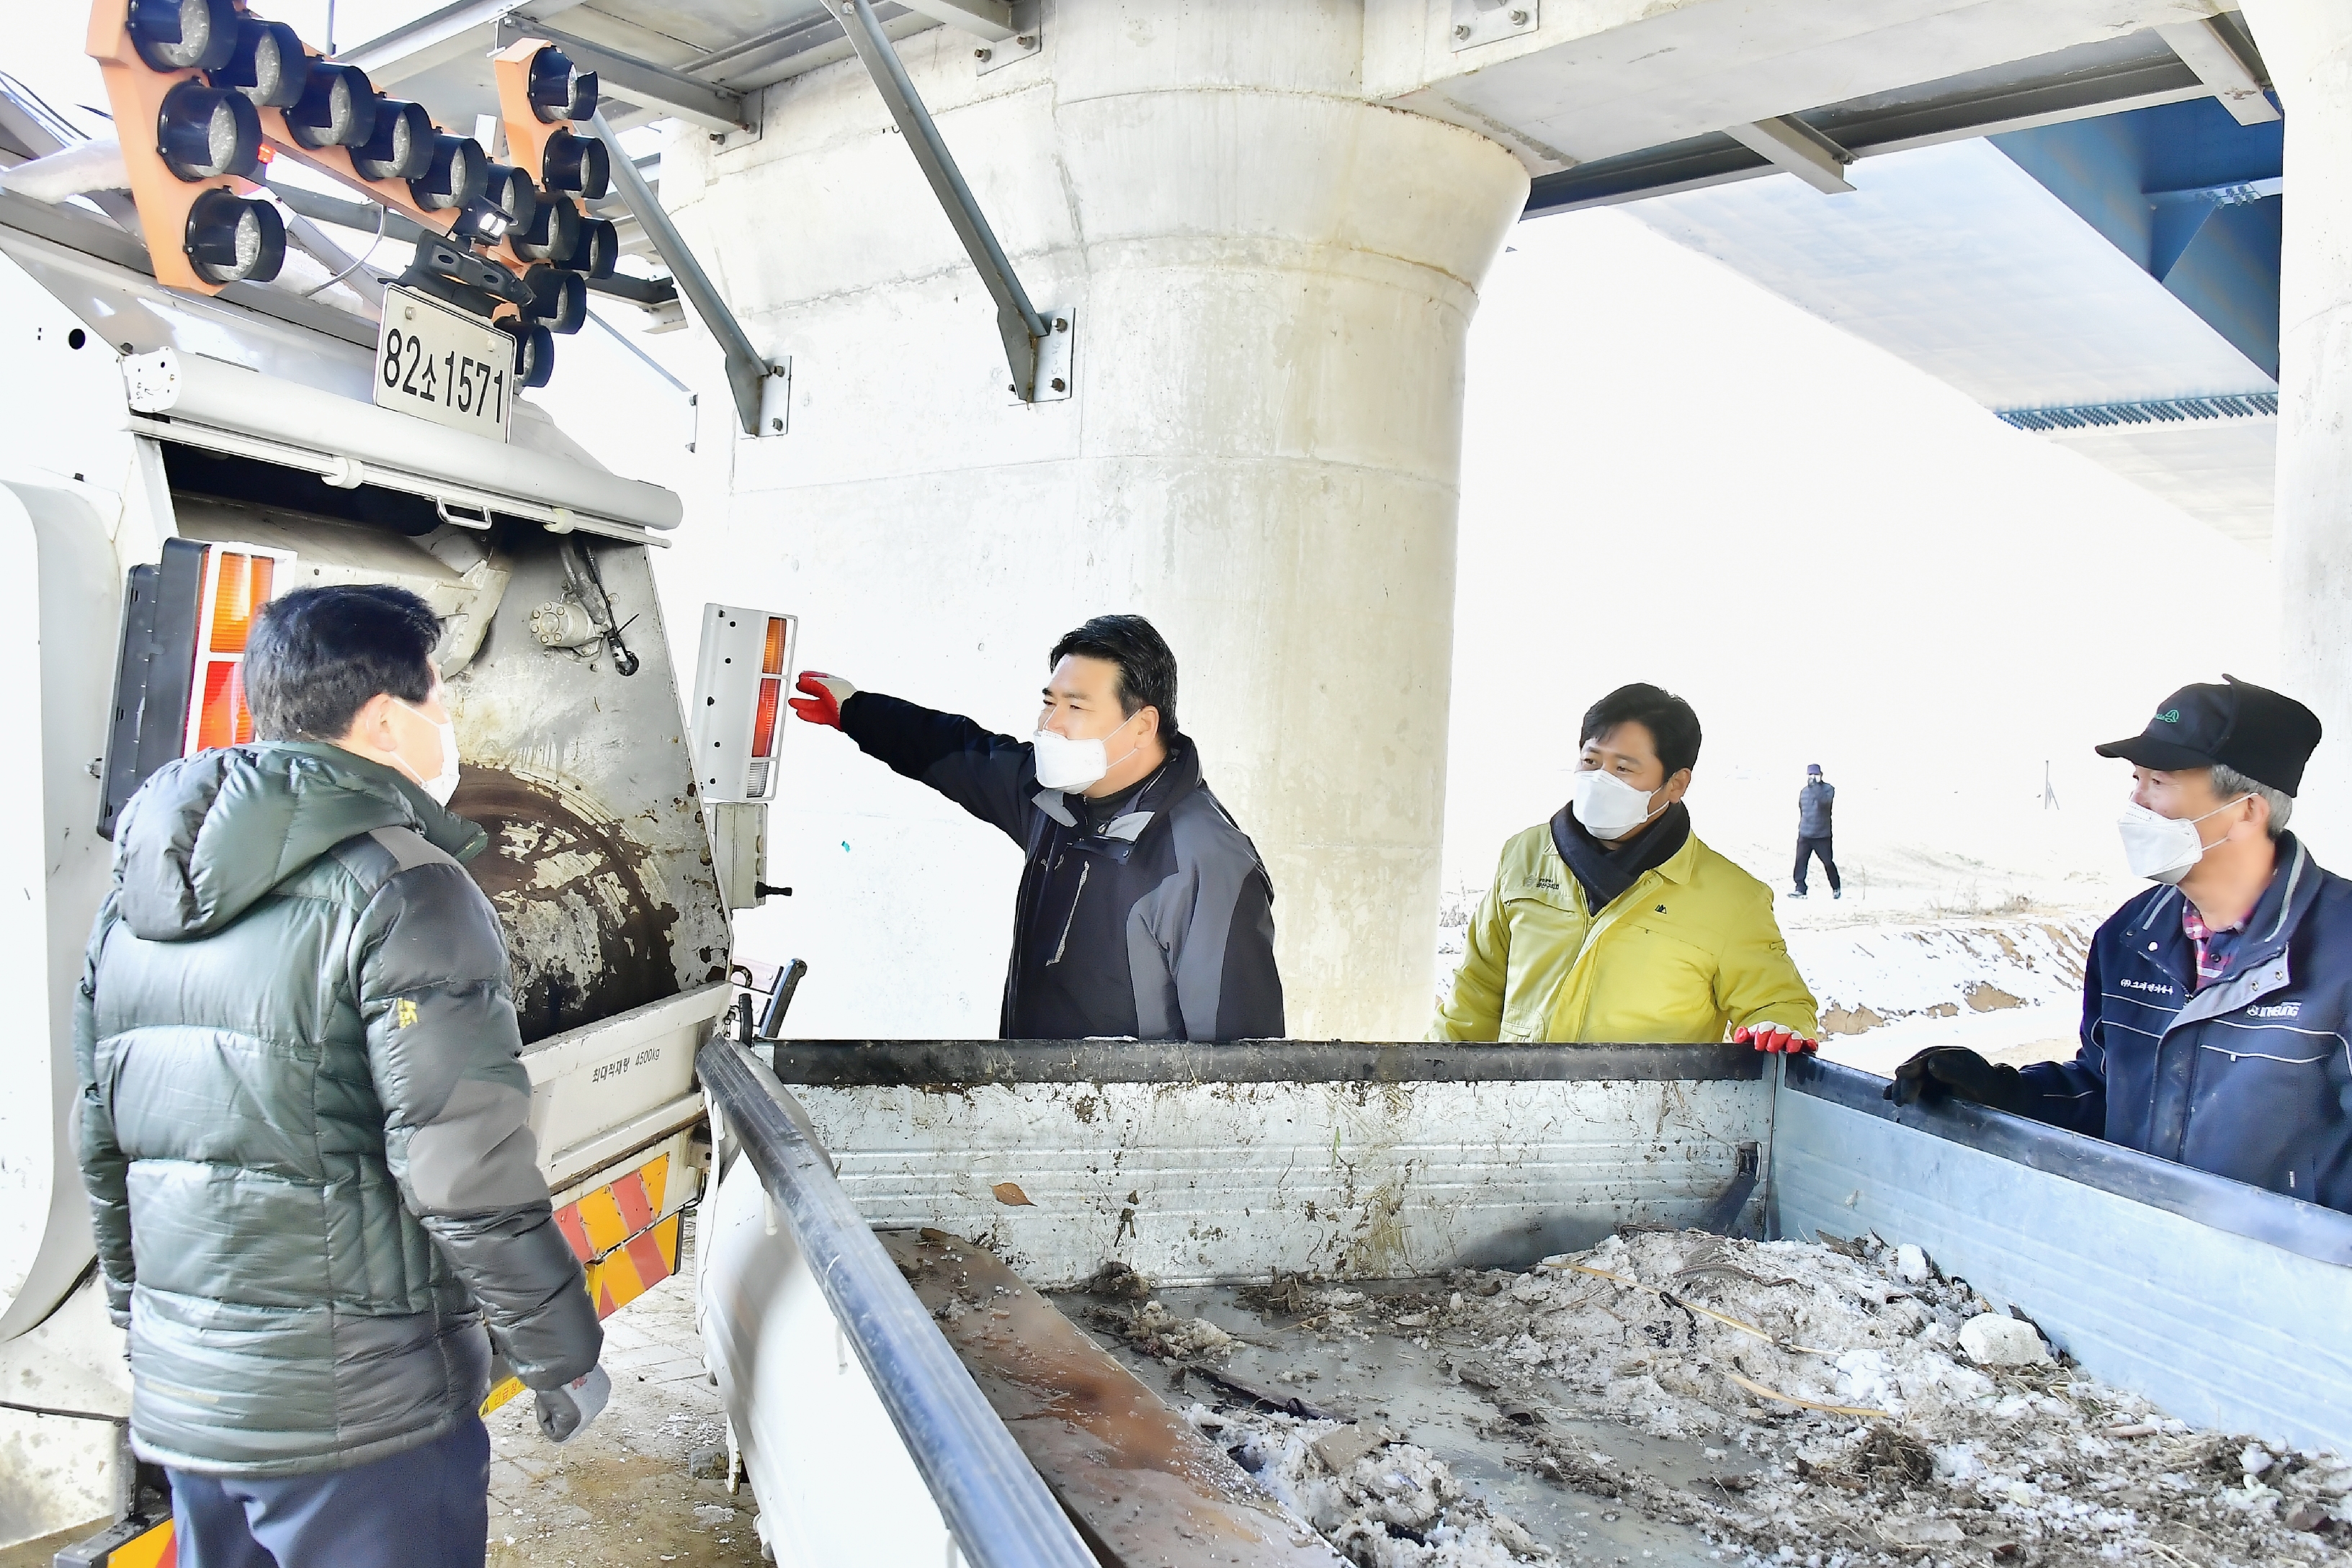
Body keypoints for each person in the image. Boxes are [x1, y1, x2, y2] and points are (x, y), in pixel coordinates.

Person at [75, 586, 607, 1568]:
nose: (448, 727)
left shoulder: (135, 893)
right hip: (360, 1417)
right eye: (441, 703)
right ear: (382, 716)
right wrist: (560, 1350)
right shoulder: (407, 887)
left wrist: (147, 1325)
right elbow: (465, 1168)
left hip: (194, 1401)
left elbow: (103, 1137)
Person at [1888, 676, 2352, 1214]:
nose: (2136, 801)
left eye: (2159, 781)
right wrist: (2005, 1094)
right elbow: (2106, 1090)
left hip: (2295, 1284)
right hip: (2143, 1267)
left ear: (2247, 811)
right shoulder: (2128, 937)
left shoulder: (2338, 948)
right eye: (2135, 779)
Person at [788, 614, 1284, 1041]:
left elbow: (1243, 1073)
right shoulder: (1055, 802)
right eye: (1049, 701)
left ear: (1141, 725)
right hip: (1030, 1120)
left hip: (1128, 1143)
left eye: (1075, 706)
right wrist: (855, 710)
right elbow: (960, 753)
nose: (1049, 723)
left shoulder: (1205, 860)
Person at [1429, 682, 1820, 1051]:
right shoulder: (1524, 856)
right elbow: (1474, 997)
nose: (1599, 779)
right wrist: (1427, 1084)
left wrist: (1777, 1028)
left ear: (1676, 784)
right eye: (1590, 760)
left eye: (1623, 769)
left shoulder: (1732, 898)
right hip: (1519, 1114)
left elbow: (1777, 1003)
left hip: (1648, 1119)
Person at [1793, 762, 1841, 900]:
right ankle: (1800, 889)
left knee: (1828, 863)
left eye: (1816, 774)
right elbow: (1802, 809)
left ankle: (1836, 887)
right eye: (1810, 775)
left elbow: (1824, 804)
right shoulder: (1804, 792)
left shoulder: (1828, 789)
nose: (1813, 777)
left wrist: (1815, 788)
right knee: (1800, 862)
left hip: (1822, 835)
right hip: (1805, 834)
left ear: (1821, 775)